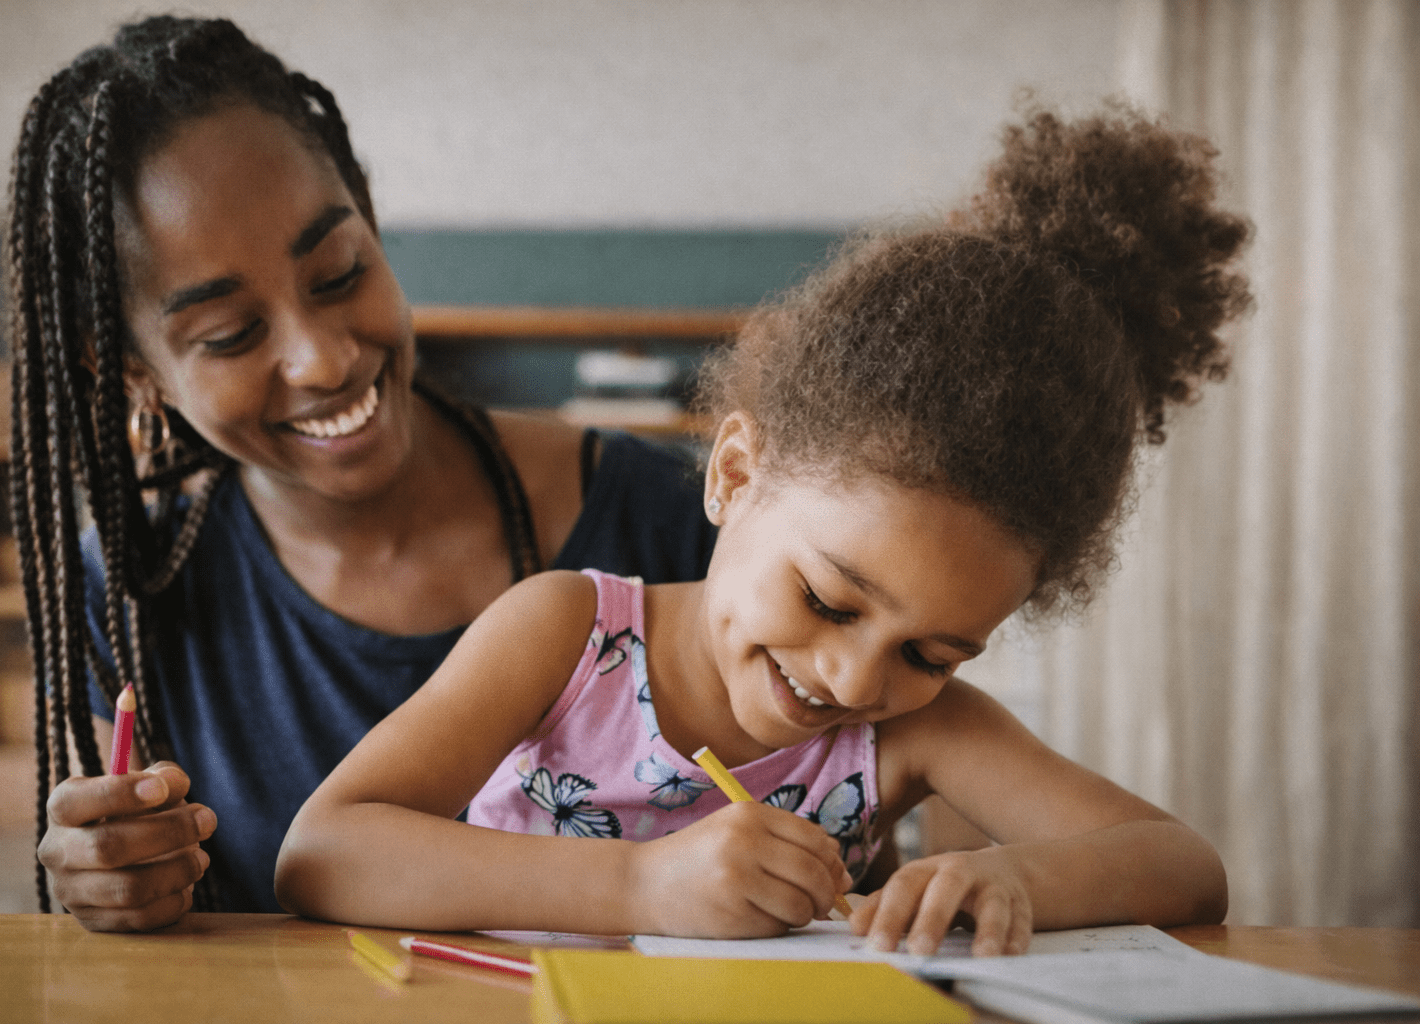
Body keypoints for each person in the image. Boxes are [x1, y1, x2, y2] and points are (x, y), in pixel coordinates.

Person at [275, 102, 1252, 955]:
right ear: (736, 475)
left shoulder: (915, 727)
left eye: (932, 651)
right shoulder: (566, 635)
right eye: (828, 600)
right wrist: (642, 887)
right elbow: (325, 851)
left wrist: (1018, 881)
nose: (857, 680)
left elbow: (1183, 866)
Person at [3, 15, 717, 931]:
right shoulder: (132, 600)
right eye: (229, 335)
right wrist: (116, 880)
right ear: (133, 371)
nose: (322, 358)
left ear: (371, 219)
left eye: (338, 272)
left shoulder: (669, 521)